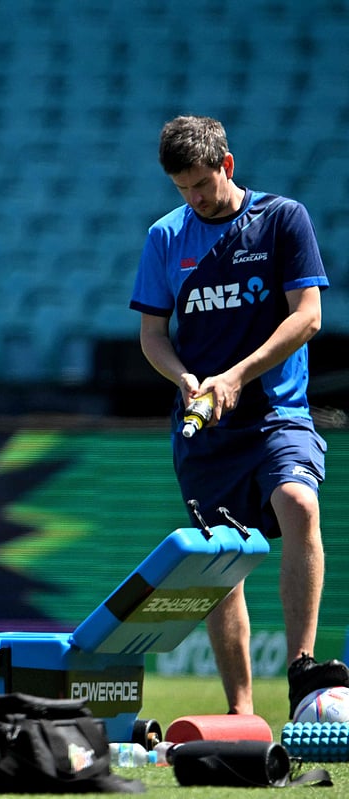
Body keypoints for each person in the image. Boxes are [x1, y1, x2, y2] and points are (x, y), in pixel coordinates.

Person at [130, 115, 347, 718]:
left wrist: (237, 375)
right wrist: (184, 379)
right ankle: (242, 713)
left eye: (201, 183)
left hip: (278, 412)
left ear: (227, 166)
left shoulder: (283, 220)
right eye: (182, 189)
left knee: (299, 504)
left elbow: (308, 318)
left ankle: (302, 670)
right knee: (223, 559)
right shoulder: (166, 238)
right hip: (206, 429)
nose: (194, 198)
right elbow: (153, 334)